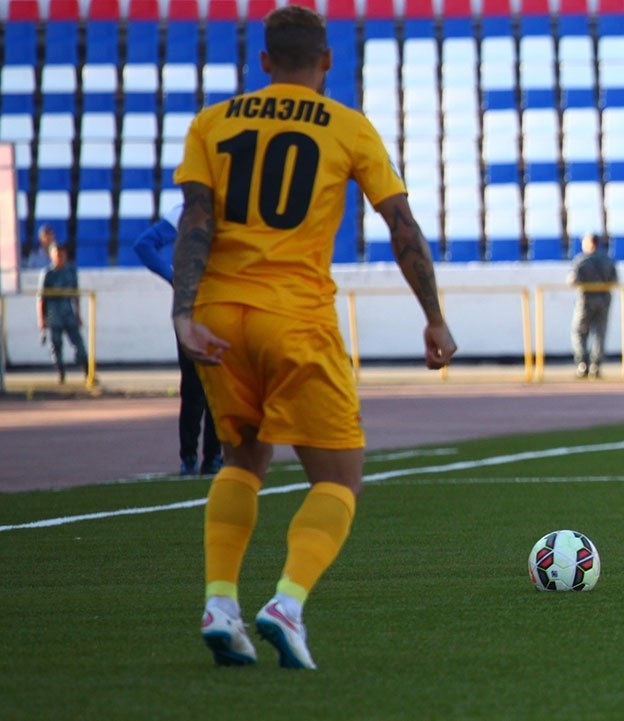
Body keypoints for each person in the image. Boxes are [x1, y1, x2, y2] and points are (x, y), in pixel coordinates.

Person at [172, 5, 457, 670]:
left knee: (242, 460)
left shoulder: (212, 123)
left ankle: (220, 604)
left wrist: (184, 312)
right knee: (339, 478)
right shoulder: (346, 126)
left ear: (264, 61)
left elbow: (195, 219)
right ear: (327, 61)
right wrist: (434, 315)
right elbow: (401, 224)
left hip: (220, 312)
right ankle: (287, 602)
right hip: (295, 316)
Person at [133, 204, 224, 476]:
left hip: (190, 307)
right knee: (217, 385)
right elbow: (143, 245)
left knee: (194, 387)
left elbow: (144, 245)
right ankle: (211, 458)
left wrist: (176, 277)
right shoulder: (218, 207)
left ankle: (189, 459)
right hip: (217, 305)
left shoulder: (186, 210)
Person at [36, 241, 89, 383]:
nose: (60, 257)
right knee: (56, 344)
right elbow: (41, 298)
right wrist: (41, 319)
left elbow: (75, 295)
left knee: (78, 341)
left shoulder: (71, 272)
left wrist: (78, 314)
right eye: (57, 254)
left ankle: (87, 371)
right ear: (51, 256)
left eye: (62, 254)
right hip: (53, 312)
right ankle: (61, 372)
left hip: (67, 310)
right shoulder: (47, 274)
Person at [567, 232, 618, 379]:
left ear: (589, 244)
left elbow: (573, 280)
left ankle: (582, 364)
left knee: (579, 332)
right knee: (600, 333)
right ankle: (596, 366)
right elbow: (615, 280)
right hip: (603, 300)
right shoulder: (608, 260)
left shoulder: (582, 260)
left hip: (586, 300)